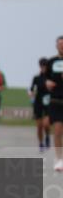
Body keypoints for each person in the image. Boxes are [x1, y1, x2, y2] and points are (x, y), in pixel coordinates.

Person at [45, 36, 63, 172]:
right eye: (60, 44)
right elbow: (43, 79)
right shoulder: (51, 62)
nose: (62, 46)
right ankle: (59, 159)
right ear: (56, 46)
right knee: (57, 131)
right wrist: (47, 83)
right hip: (56, 101)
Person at [30, 58, 51, 152]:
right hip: (38, 103)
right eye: (41, 65)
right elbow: (31, 89)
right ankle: (41, 143)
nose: (43, 67)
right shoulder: (36, 78)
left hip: (48, 102)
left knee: (46, 124)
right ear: (39, 66)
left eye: (45, 66)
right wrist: (31, 93)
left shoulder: (51, 77)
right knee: (39, 126)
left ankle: (47, 136)